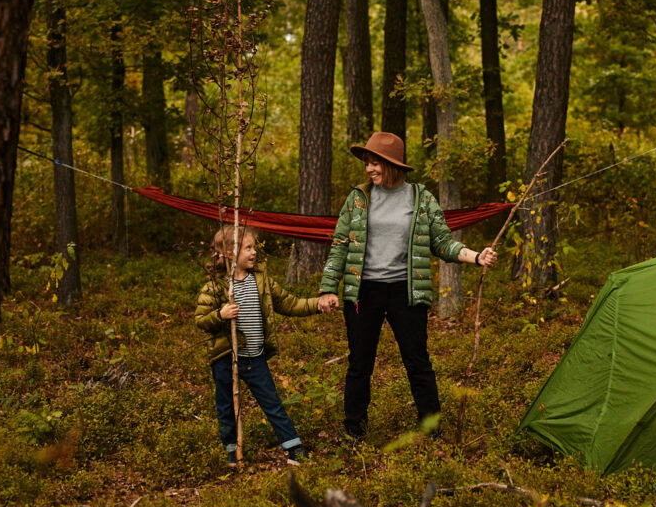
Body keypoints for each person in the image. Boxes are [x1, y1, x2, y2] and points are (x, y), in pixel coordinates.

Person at [318, 131, 497, 442]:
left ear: (391, 165)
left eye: (375, 164)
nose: (369, 169)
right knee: (360, 361)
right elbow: (339, 247)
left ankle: (431, 426)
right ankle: (354, 428)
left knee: (417, 361)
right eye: (367, 163)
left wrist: (476, 256)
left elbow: (441, 242)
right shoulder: (358, 199)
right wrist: (328, 288)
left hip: (406, 291)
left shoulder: (421, 198)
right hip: (363, 292)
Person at [195, 224, 337, 466]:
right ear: (229, 253)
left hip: (255, 357)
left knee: (272, 402)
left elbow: (290, 304)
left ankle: (294, 450)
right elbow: (201, 321)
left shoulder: (261, 281)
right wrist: (220, 315)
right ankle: (232, 451)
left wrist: (316, 304)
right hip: (226, 358)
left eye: (254, 247)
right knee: (226, 406)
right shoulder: (216, 287)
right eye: (247, 248)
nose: (253, 253)